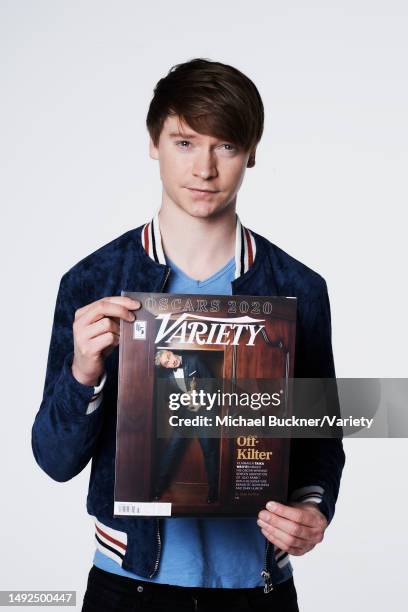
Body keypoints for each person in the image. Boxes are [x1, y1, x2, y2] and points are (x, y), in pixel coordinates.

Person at [32, 58, 345, 611]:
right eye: (184, 142)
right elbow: (55, 461)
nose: (204, 168)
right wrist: (84, 373)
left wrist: (314, 510)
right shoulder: (93, 282)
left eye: (225, 146)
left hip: (258, 588)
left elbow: (320, 438)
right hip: (129, 587)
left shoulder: (298, 289)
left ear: (251, 152)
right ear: (153, 142)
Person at [153, 349, 220, 503]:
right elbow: (170, 398)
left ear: (170, 351)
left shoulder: (195, 360)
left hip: (204, 413)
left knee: (209, 450)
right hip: (185, 416)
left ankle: (213, 491)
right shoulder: (168, 375)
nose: (171, 362)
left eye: (169, 357)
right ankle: (159, 487)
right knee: (172, 449)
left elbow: (212, 383)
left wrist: (200, 401)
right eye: (167, 363)